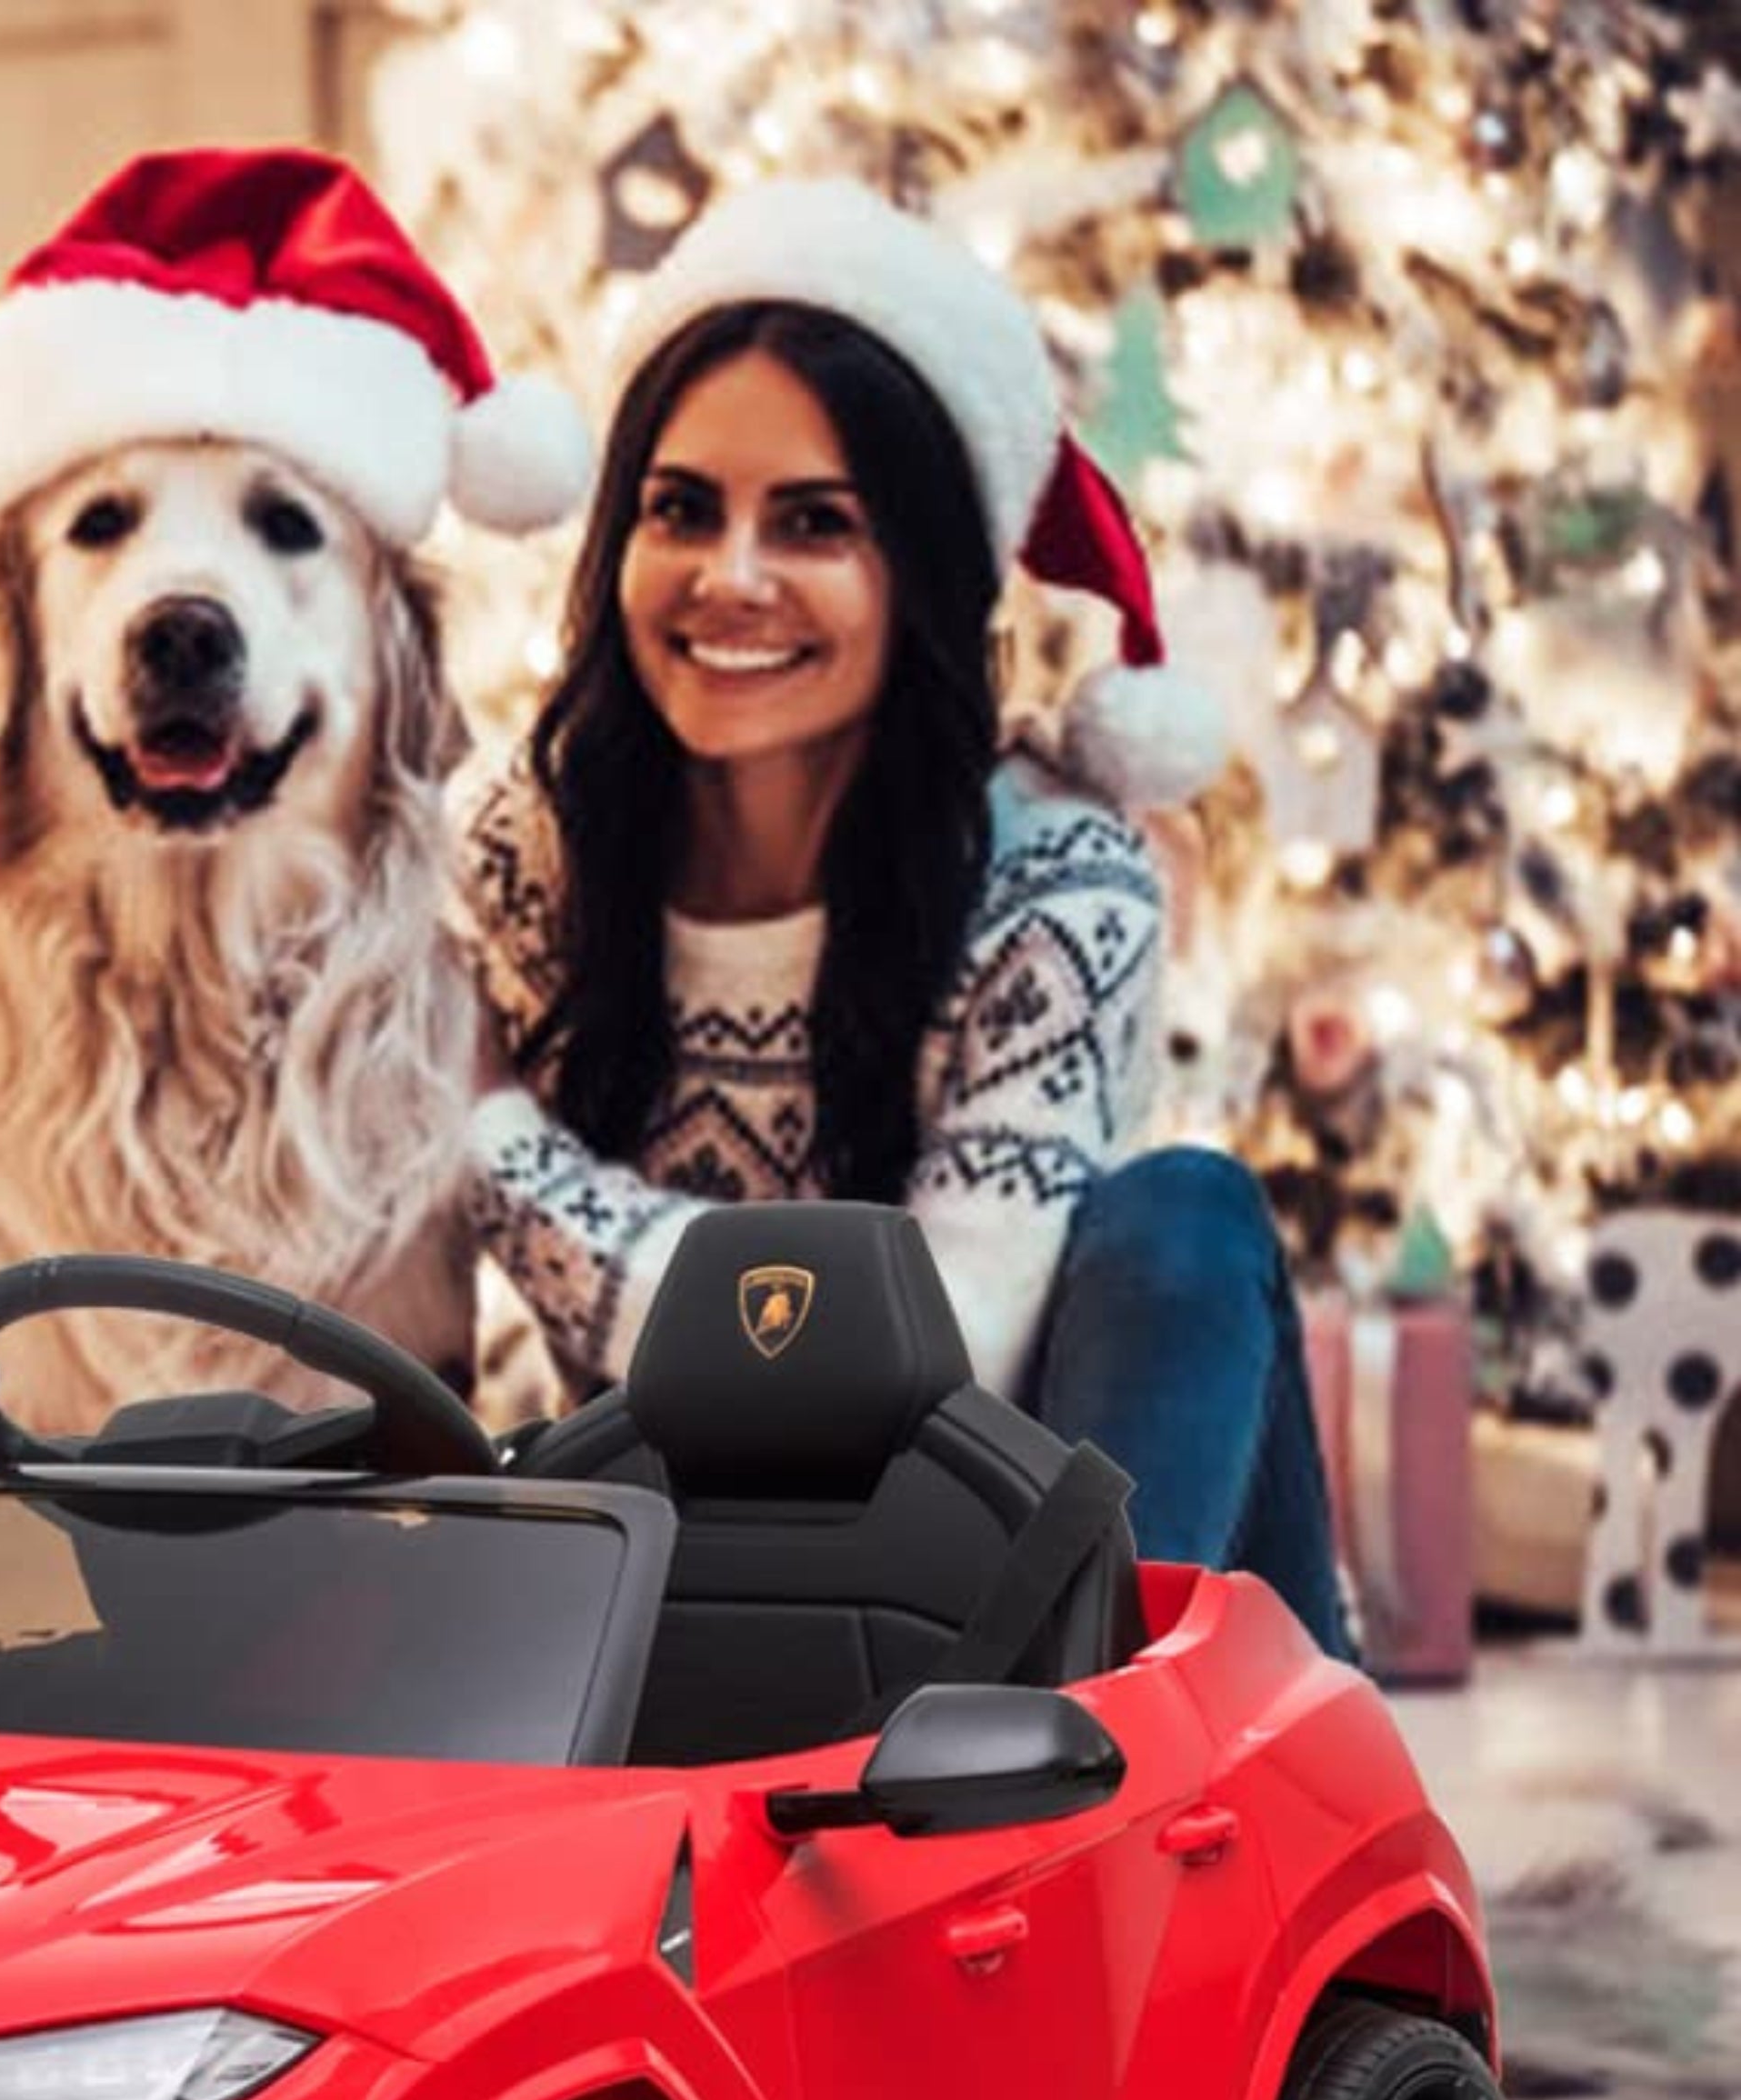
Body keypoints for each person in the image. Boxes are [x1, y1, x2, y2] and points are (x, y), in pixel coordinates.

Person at [463, 179, 1348, 1654]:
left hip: (1014, 1602)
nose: (729, 579)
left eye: (816, 524)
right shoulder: (525, 857)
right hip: (683, 1590)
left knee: (1181, 1220)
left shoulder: (1059, 881)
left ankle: (1124, 1774)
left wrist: (496, 1147)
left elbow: (931, 1366)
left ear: (926, 572)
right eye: (681, 509)